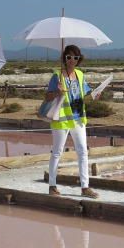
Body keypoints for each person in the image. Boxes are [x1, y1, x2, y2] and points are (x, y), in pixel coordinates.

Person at [45, 45, 99, 198]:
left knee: (83, 151)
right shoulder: (57, 76)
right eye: (68, 57)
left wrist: (95, 94)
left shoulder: (80, 75)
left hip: (78, 118)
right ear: (64, 58)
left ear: (78, 59)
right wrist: (57, 92)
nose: (71, 60)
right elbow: (47, 97)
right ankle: (52, 185)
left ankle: (85, 187)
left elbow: (86, 92)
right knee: (57, 152)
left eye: (75, 57)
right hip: (62, 120)